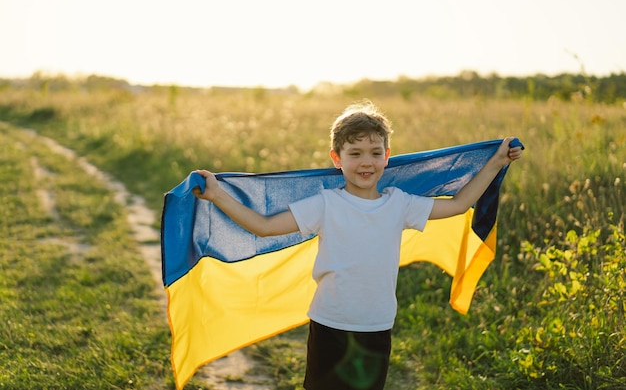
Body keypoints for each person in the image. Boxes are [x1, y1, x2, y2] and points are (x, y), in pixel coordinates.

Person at [193, 99, 523, 390]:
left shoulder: (400, 204)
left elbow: (458, 204)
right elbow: (263, 227)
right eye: (355, 153)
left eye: (375, 153)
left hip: (376, 326)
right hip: (329, 323)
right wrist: (217, 195)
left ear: (387, 157)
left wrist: (497, 161)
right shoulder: (325, 204)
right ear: (337, 158)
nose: (366, 162)